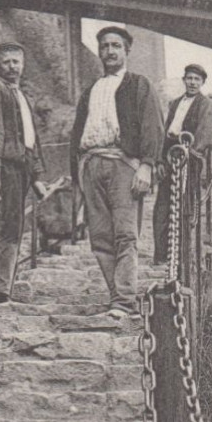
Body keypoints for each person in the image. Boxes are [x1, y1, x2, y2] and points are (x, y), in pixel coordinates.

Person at [70, 26, 163, 317]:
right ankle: (117, 297)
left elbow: (152, 126)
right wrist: (77, 180)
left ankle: (124, 300)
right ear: (99, 52)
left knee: (125, 234)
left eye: (116, 46)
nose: (110, 51)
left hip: (124, 164)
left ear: (126, 51)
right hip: (91, 165)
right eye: (105, 46)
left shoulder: (138, 85)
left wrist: (147, 165)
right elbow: (77, 134)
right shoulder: (91, 90)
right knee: (99, 237)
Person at [0, 42, 51, 305]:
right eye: (6, 62)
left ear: (23, 64)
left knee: (12, 225)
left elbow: (31, 138)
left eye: (16, 61)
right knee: (1, 226)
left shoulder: (21, 95)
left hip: (20, 168)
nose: (12, 67)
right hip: (3, 167)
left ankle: (2, 286)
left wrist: (38, 176)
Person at [153, 63, 212, 270]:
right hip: (170, 153)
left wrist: (190, 156)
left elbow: (205, 133)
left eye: (196, 79)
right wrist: (161, 160)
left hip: (189, 157)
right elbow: (165, 133)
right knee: (163, 205)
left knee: (185, 206)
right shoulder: (174, 103)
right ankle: (161, 254)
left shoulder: (206, 104)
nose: (192, 82)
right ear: (184, 80)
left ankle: (182, 256)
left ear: (202, 83)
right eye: (189, 78)